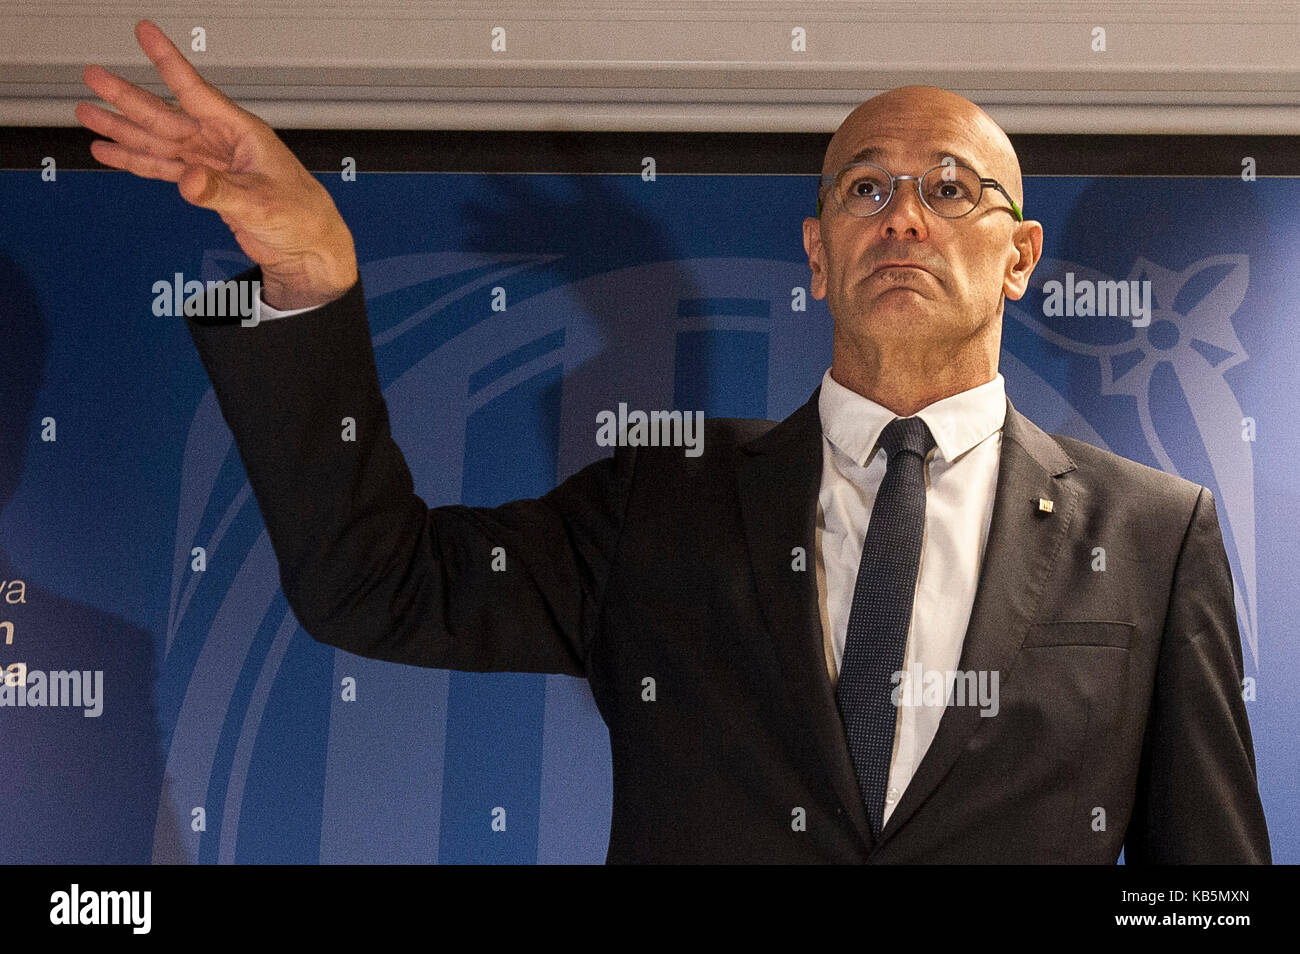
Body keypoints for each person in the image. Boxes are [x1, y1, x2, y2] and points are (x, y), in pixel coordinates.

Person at [76, 19, 1271, 863]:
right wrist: (308, 278)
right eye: (864, 189)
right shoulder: (662, 508)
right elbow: (375, 586)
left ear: (1019, 257)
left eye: (953, 189)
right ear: (815, 256)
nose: (904, 213)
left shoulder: (1154, 536)